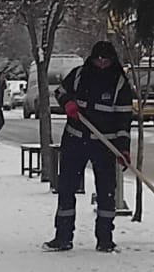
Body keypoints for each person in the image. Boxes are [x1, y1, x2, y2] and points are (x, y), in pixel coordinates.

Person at [47, 41, 135, 253]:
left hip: (104, 144)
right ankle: (63, 237)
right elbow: (60, 92)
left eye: (106, 59)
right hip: (75, 139)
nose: (102, 63)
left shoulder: (120, 84)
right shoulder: (78, 75)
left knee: (106, 192)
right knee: (67, 188)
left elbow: (124, 118)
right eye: (98, 59)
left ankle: (105, 239)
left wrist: (123, 148)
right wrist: (67, 102)